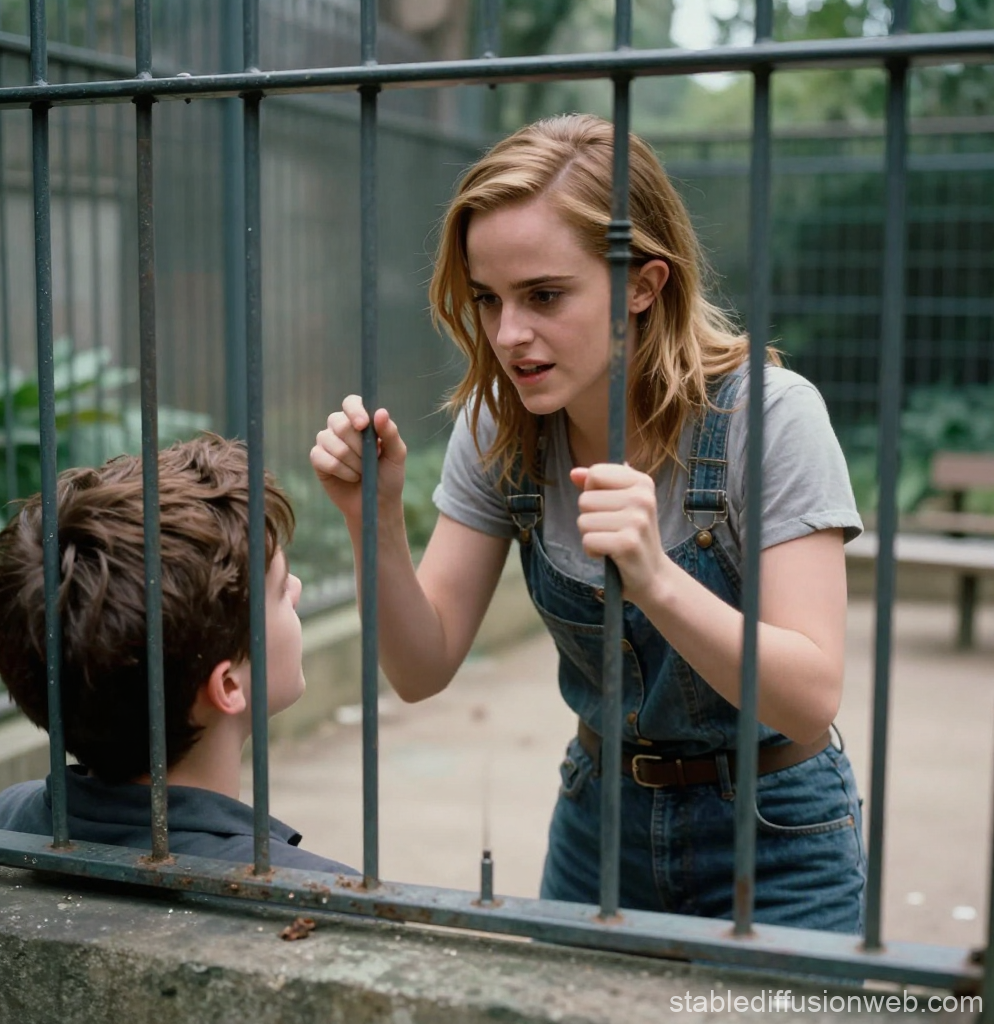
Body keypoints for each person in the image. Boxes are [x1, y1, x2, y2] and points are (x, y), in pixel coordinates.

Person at [311, 113, 866, 932]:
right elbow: (420, 668)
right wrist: (375, 521)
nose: (508, 335)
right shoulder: (499, 427)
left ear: (644, 283)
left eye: (543, 296)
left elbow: (810, 698)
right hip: (597, 827)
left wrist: (657, 579)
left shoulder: (770, 419)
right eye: (489, 299)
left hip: (778, 837)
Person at [0, 434, 351, 874]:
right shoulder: (307, 888)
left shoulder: (1, 821)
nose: (298, 590)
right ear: (228, 685)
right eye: (278, 590)